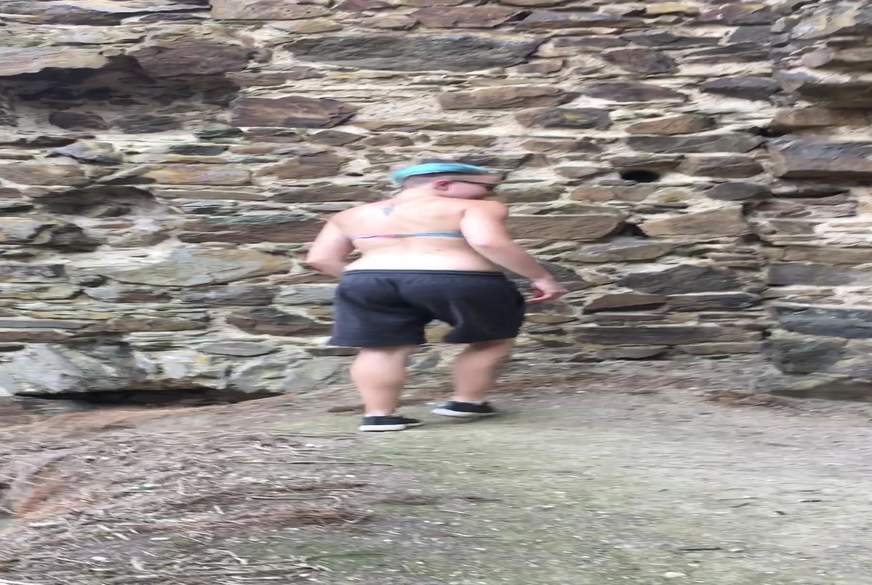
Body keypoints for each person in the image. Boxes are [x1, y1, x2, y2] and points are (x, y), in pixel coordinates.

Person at [305, 162, 568, 432]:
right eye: (487, 187)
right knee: (491, 340)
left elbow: (320, 259)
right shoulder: (476, 207)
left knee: (380, 349)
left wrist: (364, 279)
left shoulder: (349, 215)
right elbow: (488, 242)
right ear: (443, 184)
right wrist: (541, 277)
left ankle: (379, 416)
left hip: (367, 279)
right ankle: (467, 402)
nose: (490, 194)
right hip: (459, 278)